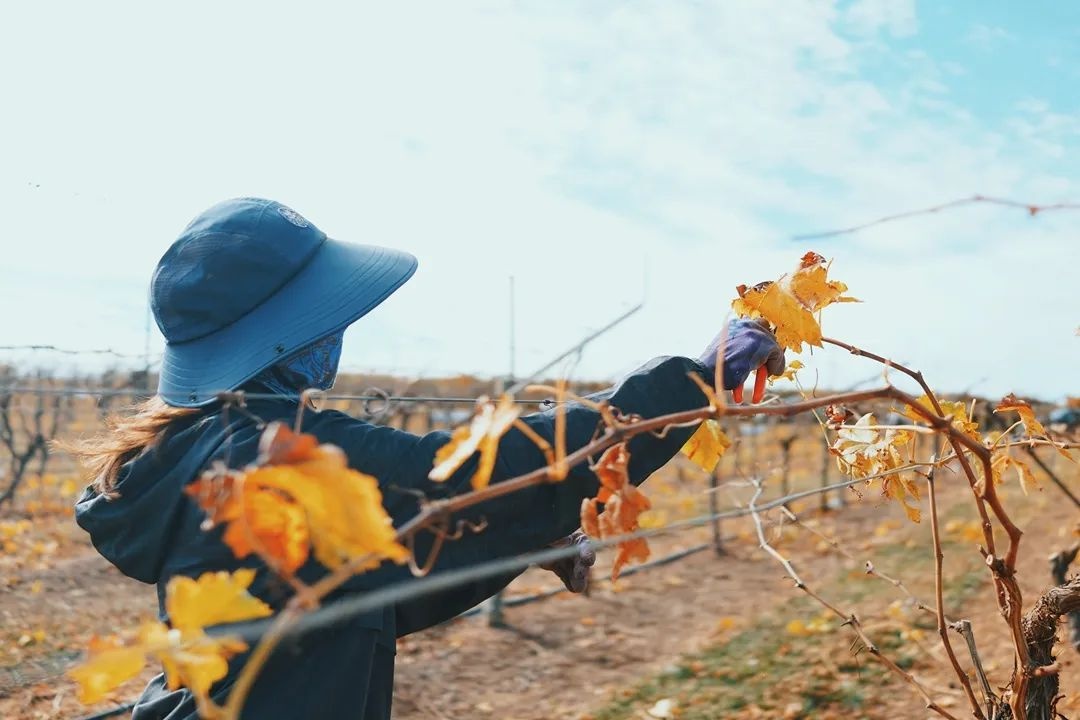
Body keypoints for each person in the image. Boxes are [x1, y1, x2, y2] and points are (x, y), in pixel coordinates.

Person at [72, 198, 784, 719]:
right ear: (292, 337)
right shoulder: (283, 452)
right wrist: (694, 377)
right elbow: (466, 473)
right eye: (331, 316)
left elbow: (360, 598)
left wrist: (520, 542)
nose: (342, 329)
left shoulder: (192, 449)